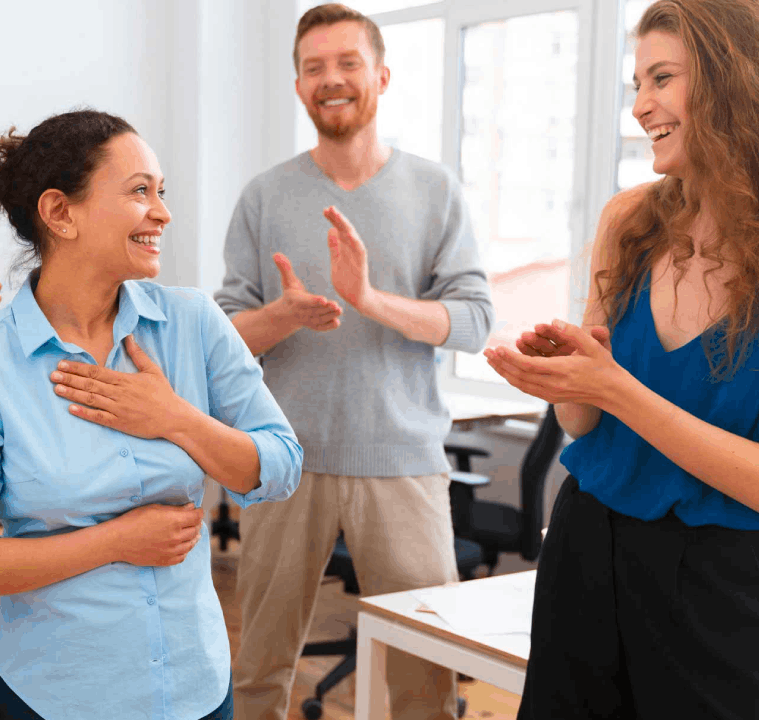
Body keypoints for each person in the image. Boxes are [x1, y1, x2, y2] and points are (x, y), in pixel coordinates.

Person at [0, 109, 303, 720]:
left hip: (196, 685)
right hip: (59, 695)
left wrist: (176, 418)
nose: (163, 212)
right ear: (60, 213)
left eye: (161, 192)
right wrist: (115, 541)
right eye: (139, 192)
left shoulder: (193, 323)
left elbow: (281, 463)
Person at [214, 4, 495, 719]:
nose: (330, 79)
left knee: (424, 681)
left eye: (347, 63)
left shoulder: (435, 191)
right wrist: (283, 316)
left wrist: (369, 298)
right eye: (314, 67)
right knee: (258, 672)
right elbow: (220, 337)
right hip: (282, 462)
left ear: (381, 76)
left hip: (403, 465)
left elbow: (474, 321)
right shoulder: (265, 196)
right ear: (299, 85)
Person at [486, 1, 759, 717]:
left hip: (723, 585)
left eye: (662, 78)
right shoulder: (630, 221)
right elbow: (581, 423)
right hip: (588, 544)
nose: (640, 106)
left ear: (733, 80)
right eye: (637, 83)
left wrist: (615, 389)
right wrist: (562, 373)